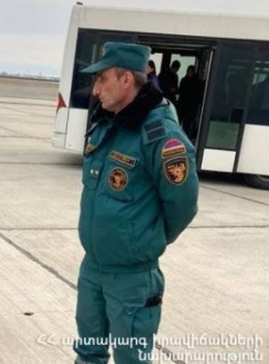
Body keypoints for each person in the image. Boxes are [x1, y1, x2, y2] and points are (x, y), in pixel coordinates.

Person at [74, 42, 199, 364]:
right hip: (93, 268)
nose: (96, 89)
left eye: (102, 79)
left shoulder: (161, 137)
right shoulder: (107, 123)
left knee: (132, 359)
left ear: (126, 79)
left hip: (132, 277)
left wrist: (145, 240)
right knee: (88, 353)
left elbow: (182, 205)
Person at [177, 65, 202, 137]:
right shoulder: (184, 80)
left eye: (190, 72)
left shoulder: (196, 83)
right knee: (179, 121)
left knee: (186, 124)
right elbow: (181, 91)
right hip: (182, 105)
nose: (189, 73)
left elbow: (197, 95)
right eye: (188, 72)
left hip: (190, 107)